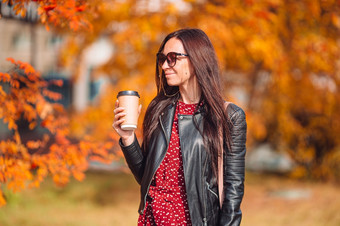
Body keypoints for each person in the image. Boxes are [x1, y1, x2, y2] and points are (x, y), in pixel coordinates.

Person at [112, 28, 247, 226]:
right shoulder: (160, 110)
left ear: (196, 59)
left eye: (173, 58)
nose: (165, 65)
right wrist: (128, 137)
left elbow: (233, 195)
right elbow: (146, 178)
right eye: (162, 58)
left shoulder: (228, 117)